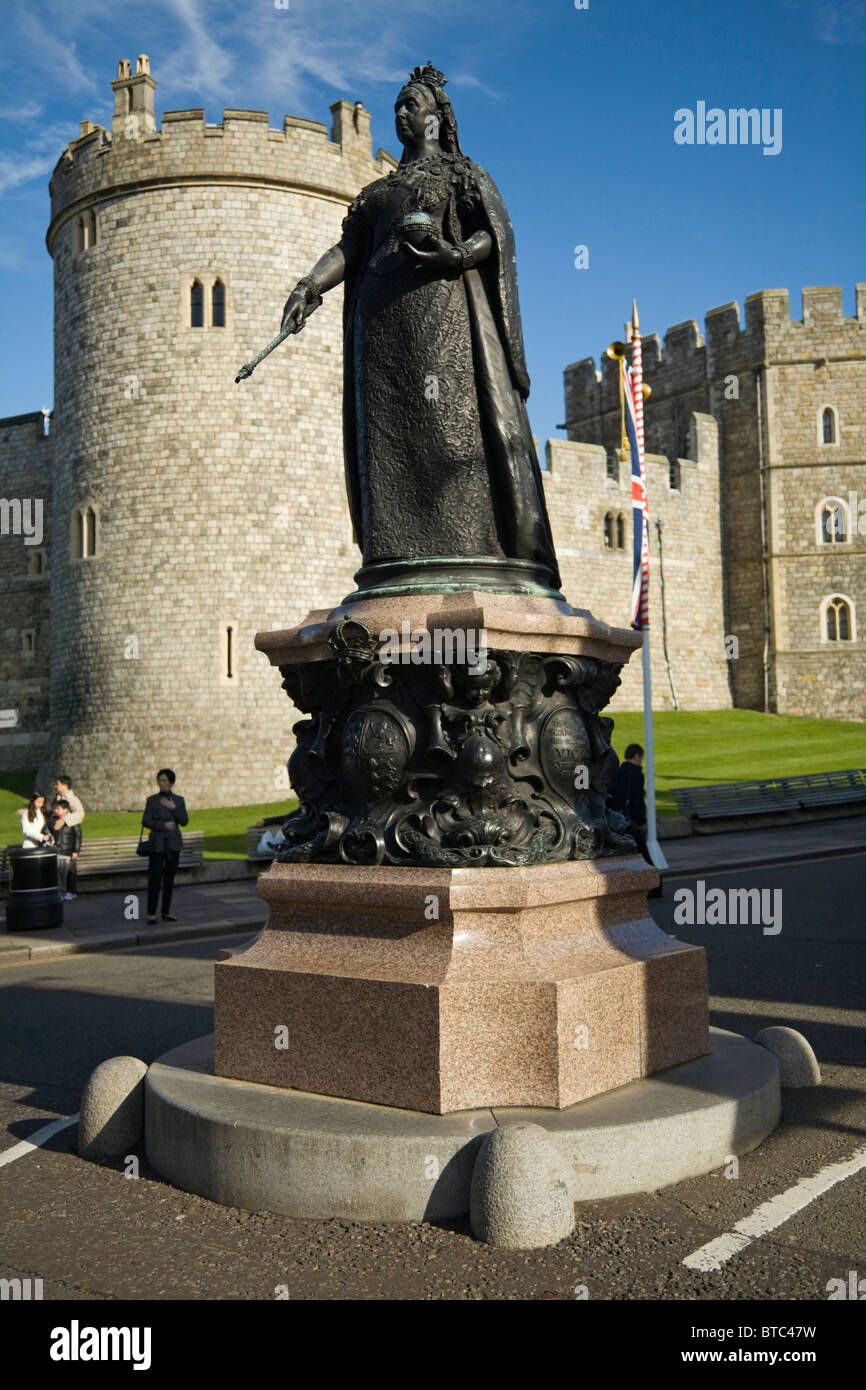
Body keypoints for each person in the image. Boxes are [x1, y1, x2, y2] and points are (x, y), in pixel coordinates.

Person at [278, 61, 561, 596]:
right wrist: (308, 286)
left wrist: (454, 254)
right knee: (389, 438)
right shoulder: (377, 194)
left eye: (411, 105)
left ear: (437, 116)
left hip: (444, 322)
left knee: (450, 431)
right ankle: (396, 553)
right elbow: (349, 249)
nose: (401, 114)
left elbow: (492, 236)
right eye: (398, 108)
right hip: (380, 333)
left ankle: (470, 546)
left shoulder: (462, 176)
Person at [141, 769, 188, 924]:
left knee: (169, 879)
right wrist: (163, 825)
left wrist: (174, 807)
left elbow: (184, 821)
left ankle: (166, 912)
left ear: (171, 783)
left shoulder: (179, 800)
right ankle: (151, 914)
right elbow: (146, 821)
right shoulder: (152, 800)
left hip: (173, 845)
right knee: (154, 879)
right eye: (160, 780)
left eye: (165, 780)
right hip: (157, 844)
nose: (161, 783)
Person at [610, 743, 651, 864]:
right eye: (641, 757)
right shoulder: (636, 773)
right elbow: (637, 799)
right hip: (631, 816)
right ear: (637, 756)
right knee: (641, 849)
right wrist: (642, 821)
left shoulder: (620, 770)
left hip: (618, 814)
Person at [48, 797, 81, 899]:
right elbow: (46, 830)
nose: (56, 811)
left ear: (65, 810)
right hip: (58, 852)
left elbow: (78, 836)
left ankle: (71, 892)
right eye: (55, 809)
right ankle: (61, 893)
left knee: (70, 874)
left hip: (69, 852)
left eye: (58, 809)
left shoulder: (72, 821)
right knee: (59, 874)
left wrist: (76, 851)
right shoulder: (53, 820)